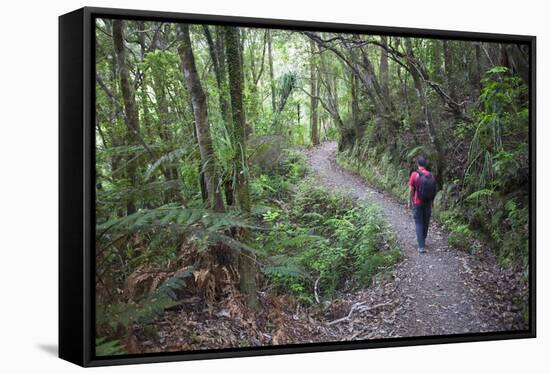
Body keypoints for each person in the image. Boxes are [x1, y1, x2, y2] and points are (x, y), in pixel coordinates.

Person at [407, 156, 436, 253]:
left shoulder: (414, 174)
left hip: (418, 202)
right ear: (425, 164)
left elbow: (411, 189)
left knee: (419, 222)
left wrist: (409, 201)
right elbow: (433, 190)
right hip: (428, 202)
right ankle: (422, 239)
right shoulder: (430, 175)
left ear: (417, 164)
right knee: (425, 222)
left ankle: (421, 246)